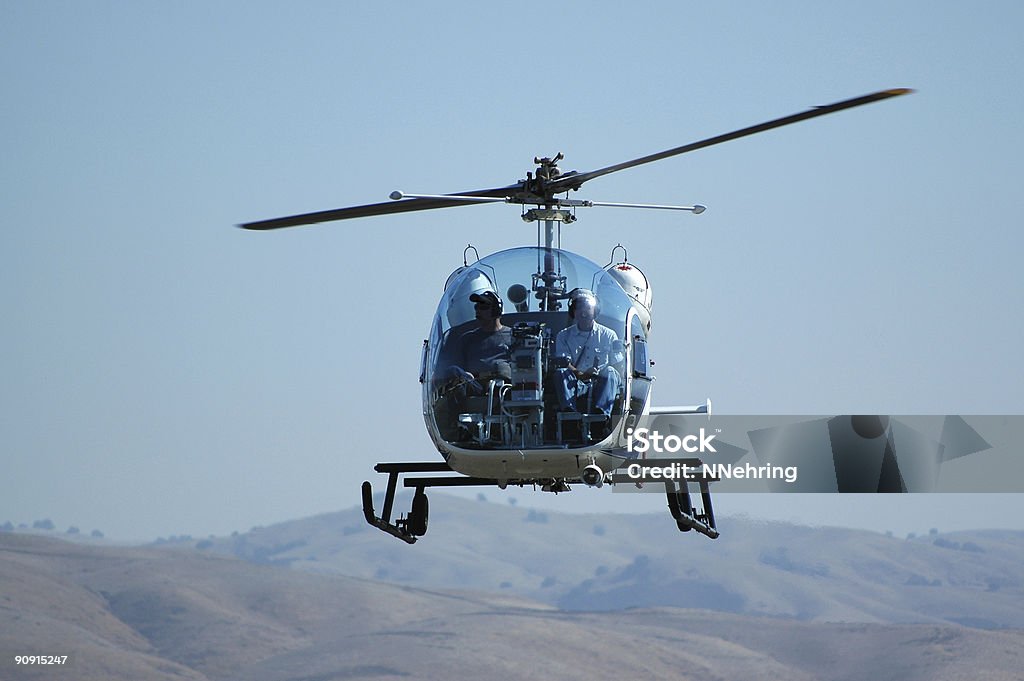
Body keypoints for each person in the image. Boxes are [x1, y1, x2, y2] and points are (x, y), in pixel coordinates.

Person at [553, 289, 621, 416]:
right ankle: (569, 414)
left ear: (595, 310)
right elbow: (563, 362)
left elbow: (618, 363)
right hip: (575, 383)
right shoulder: (563, 336)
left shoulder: (609, 335)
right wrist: (580, 374)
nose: (583, 312)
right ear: (573, 312)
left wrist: (597, 373)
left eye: (587, 308)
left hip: (601, 384)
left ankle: (601, 415)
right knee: (561, 372)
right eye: (578, 308)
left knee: (611, 372)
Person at [445, 290, 512, 396]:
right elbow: (457, 366)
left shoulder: (513, 336)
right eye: (476, 307)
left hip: (505, 388)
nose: (478, 311)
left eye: (483, 307)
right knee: (453, 371)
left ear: (496, 310)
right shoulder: (467, 339)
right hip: (475, 387)